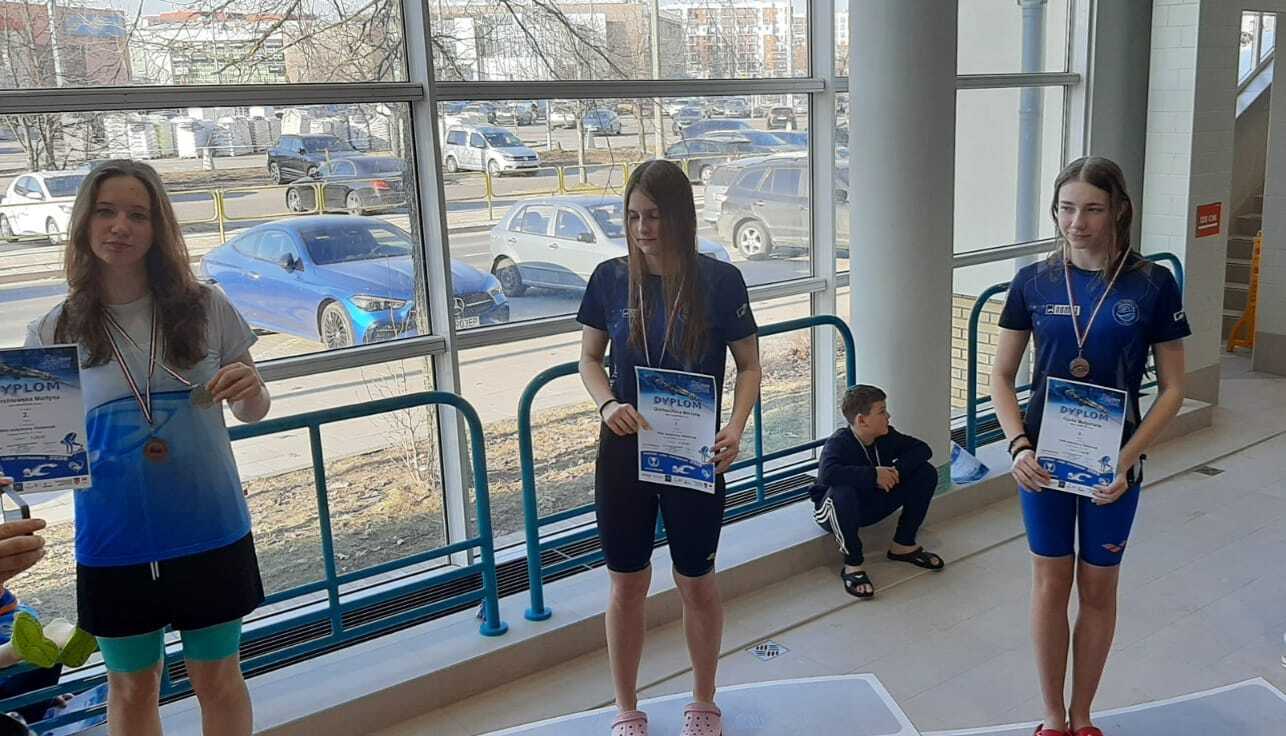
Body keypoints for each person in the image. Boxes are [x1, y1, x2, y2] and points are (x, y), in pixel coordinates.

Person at [15, 159, 272, 736]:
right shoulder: (54, 330)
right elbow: (43, 462)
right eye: (105, 212)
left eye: (138, 214)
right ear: (83, 223)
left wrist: (253, 389)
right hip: (114, 539)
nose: (120, 227)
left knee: (218, 678)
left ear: (159, 228)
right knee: (131, 687)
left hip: (210, 526)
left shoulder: (207, 306)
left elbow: (251, 408)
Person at [991, 156, 1189, 736]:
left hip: (1116, 465)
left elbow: (1175, 388)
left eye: (1093, 209)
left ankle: (1082, 717)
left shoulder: (1152, 283)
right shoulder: (1033, 282)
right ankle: (1053, 718)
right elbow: (1000, 375)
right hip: (1043, 462)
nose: (1077, 223)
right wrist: (1017, 446)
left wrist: (1125, 461)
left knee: (1098, 587)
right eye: (1067, 208)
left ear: (1119, 210)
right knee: (1050, 583)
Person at [577, 159, 760, 736]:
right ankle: (626, 708)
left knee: (696, 581)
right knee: (627, 583)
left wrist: (736, 428)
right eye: (633, 217)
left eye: (654, 216)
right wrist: (607, 404)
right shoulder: (609, 279)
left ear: (680, 216)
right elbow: (588, 359)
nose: (643, 229)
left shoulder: (720, 281)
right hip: (624, 450)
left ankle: (704, 699)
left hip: (695, 451)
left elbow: (750, 365)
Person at [809, 385, 944, 599]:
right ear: (862, 420)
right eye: (882, 412)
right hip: (836, 511)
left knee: (925, 472)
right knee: (842, 492)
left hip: (872, 502)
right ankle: (853, 564)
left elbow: (922, 449)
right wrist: (873, 475)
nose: (888, 416)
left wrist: (895, 471)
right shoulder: (839, 443)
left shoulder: (886, 436)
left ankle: (903, 545)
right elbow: (828, 475)